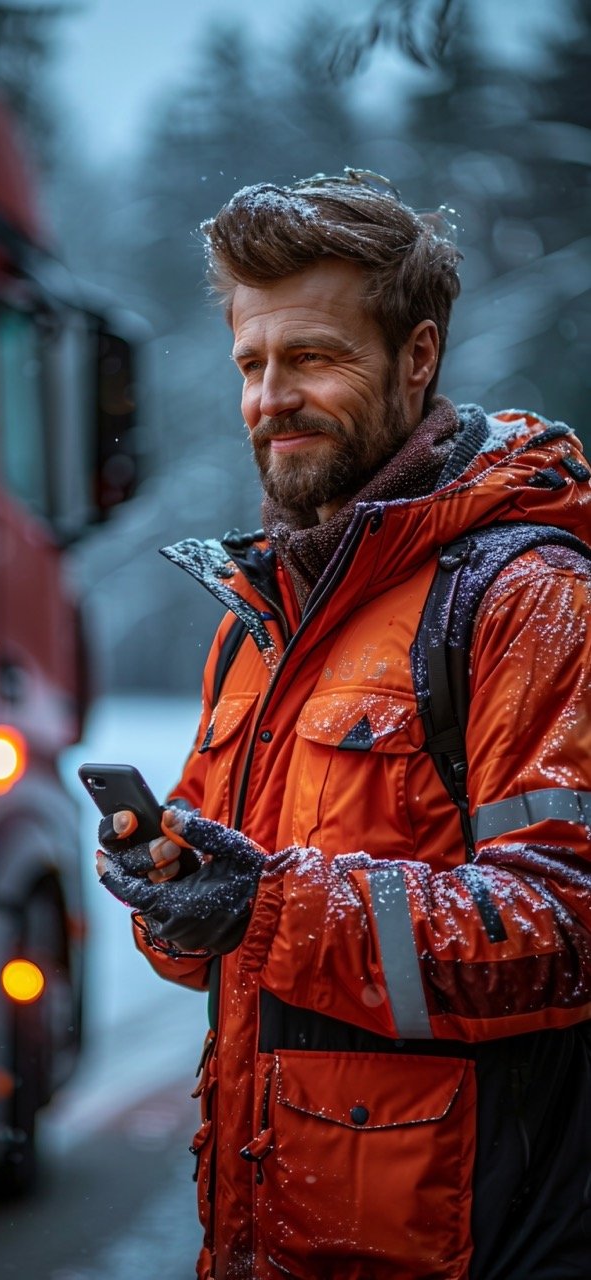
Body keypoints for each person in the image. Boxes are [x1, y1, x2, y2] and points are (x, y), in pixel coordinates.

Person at [97, 171, 591, 1280]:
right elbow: (222, 946)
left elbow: (567, 928)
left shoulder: (527, 596)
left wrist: (266, 903)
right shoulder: (256, 618)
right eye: (252, 364)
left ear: (417, 357)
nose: (271, 397)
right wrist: (175, 896)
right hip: (268, 1241)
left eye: (312, 357)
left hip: (469, 1247)